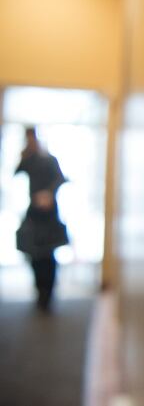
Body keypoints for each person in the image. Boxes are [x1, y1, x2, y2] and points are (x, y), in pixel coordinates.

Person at [14, 126, 68, 311]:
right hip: (34, 211)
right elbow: (16, 172)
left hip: (50, 212)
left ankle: (48, 293)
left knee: (48, 253)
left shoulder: (50, 160)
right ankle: (40, 290)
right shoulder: (29, 159)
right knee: (34, 252)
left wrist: (49, 194)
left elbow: (61, 178)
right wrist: (24, 155)